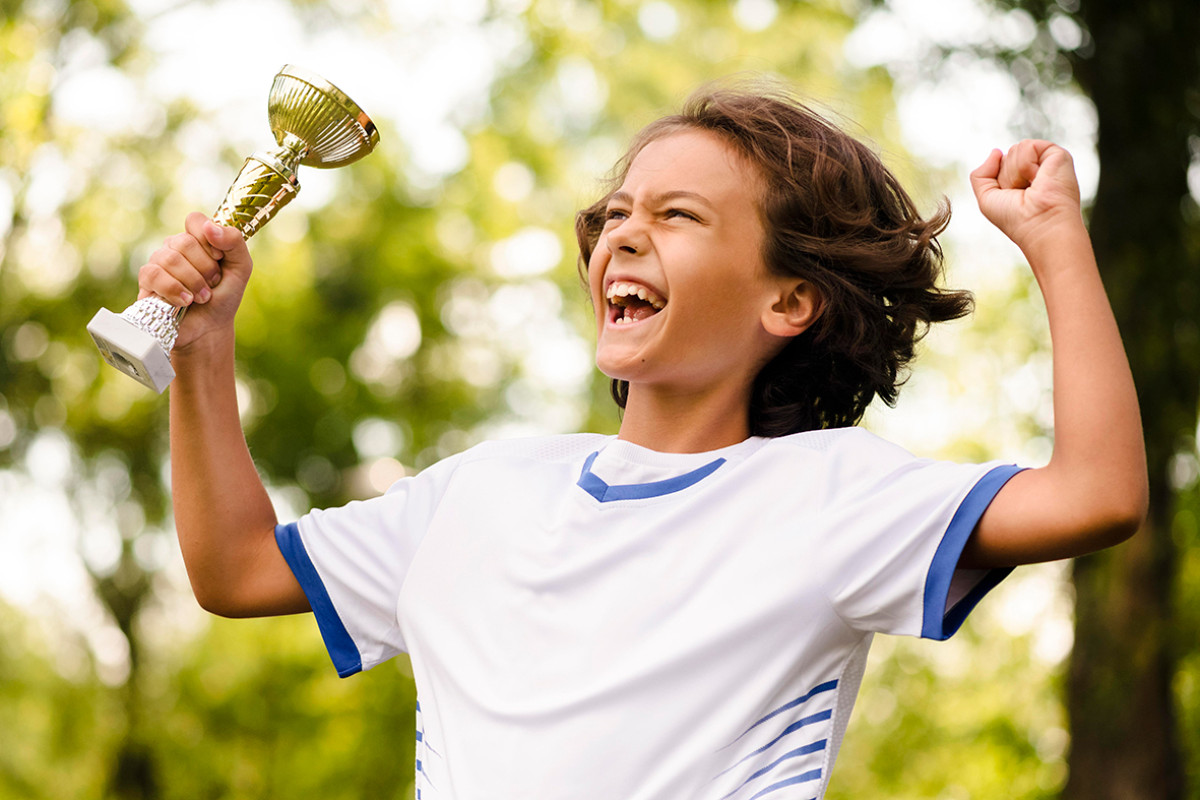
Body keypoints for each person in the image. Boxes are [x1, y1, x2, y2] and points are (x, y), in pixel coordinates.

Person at [139, 82, 1147, 799]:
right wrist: (203, 349)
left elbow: (1096, 493)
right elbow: (233, 568)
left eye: (678, 215)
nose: (622, 233)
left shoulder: (831, 494)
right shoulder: (477, 490)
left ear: (788, 298)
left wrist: (1057, 239)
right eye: (617, 212)